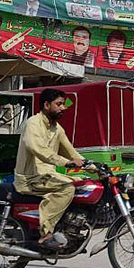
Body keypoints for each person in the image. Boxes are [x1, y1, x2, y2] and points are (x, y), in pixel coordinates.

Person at [14, 88, 85, 250]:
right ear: (46, 105)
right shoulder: (33, 123)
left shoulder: (57, 128)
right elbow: (38, 149)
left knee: (83, 184)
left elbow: (72, 152)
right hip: (30, 178)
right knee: (67, 189)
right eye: (58, 104)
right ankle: (45, 233)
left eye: (63, 104)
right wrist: (65, 162)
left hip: (46, 176)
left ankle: (70, 230)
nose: (63, 107)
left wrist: (95, 167)